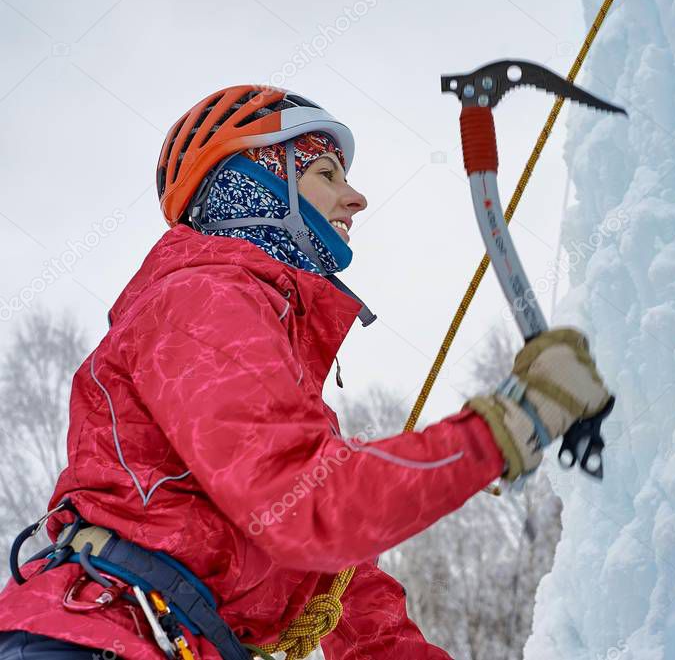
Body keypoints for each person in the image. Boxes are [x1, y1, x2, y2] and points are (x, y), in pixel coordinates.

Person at [0, 85, 611, 660]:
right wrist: (510, 424)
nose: (357, 198)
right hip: (85, 639)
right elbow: (308, 509)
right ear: (253, 183)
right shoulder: (201, 303)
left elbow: (356, 604)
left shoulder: (272, 362)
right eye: (327, 174)